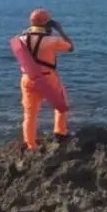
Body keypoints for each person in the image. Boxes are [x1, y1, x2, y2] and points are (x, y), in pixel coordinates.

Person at [18, 8, 74, 150]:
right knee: (61, 105)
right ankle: (60, 132)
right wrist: (60, 30)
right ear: (47, 24)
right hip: (48, 77)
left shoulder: (21, 39)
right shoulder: (51, 40)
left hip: (27, 78)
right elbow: (70, 47)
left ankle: (30, 144)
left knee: (30, 113)